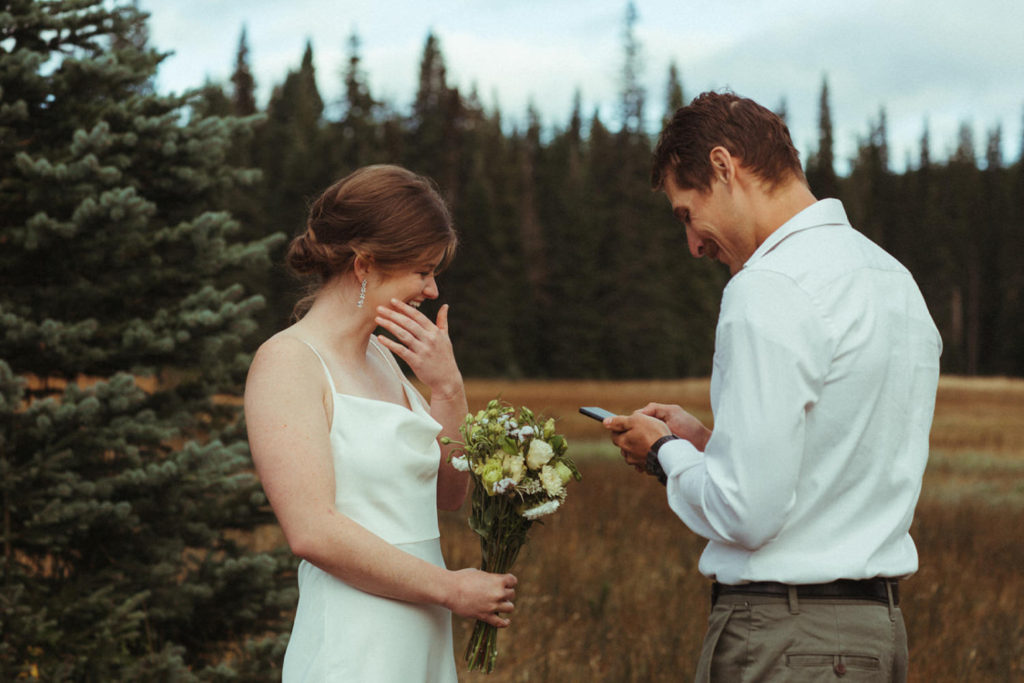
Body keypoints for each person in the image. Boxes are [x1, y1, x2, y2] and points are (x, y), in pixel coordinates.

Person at [602, 92, 941, 682]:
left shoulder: (768, 286)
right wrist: (709, 443)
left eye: (687, 214)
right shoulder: (894, 280)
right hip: (877, 638)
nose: (694, 245)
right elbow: (828, 466)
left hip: (787, 640)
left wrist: (664, 451)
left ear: (724, 168)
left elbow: (746, 513)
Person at [244, 164, 517, 681]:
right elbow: (311, 531)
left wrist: (447, 387)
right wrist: (450, 589)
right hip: (353, 642)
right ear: (365, 264)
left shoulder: (384, 358)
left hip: (420, 636)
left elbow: (448, 493)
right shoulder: (288, 363)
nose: (432, 289)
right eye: (422, 271)